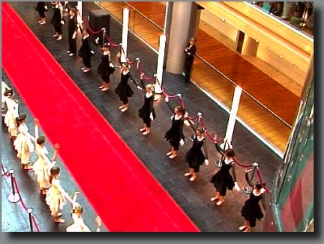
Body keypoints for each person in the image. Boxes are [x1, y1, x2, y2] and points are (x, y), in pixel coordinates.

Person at [210, 140, 240, 205]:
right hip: (220, 174)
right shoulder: (224, 157)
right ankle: (217, 196)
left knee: (222, 189)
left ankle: (222, 199)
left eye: (226, 154)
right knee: (218, 186)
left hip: (226, 177)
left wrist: (235, 182)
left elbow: (233, 172)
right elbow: (218, 150)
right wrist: (215, 142)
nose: (225, 154)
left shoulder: (232, 163)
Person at [33, 127, 60, 194]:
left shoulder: (38, 145)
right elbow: (47, 160)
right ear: (42, 143)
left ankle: (42, 188)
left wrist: (36, 126)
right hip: (43, 164)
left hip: (40, 162)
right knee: (43, 177)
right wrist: (56, 151)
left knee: (42, 177)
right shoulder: (41, 151)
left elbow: (36, 136)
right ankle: (43, 189)